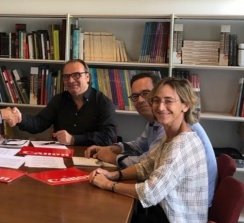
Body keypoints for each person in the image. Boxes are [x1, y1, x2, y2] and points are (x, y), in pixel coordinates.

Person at [85, 72, 217, 207]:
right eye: (156, 100)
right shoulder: (169, 133)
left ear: (185, 105)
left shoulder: (181, 144)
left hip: (178, 213)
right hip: (167, 202)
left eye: (168, 101)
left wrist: (108, 183)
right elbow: (146, 165)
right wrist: (113, 175)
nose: (160, 107)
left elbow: (150, 193)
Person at [3, 59, 117, 146]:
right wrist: (20, 118)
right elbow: (39, 123)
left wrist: (74, 139)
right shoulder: (59, 100)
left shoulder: (103, 103)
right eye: (66, 77)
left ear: (87, 77)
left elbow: (109, 137)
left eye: (76, 75)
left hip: (91, 157)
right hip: (61, 155)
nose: (71, 80)